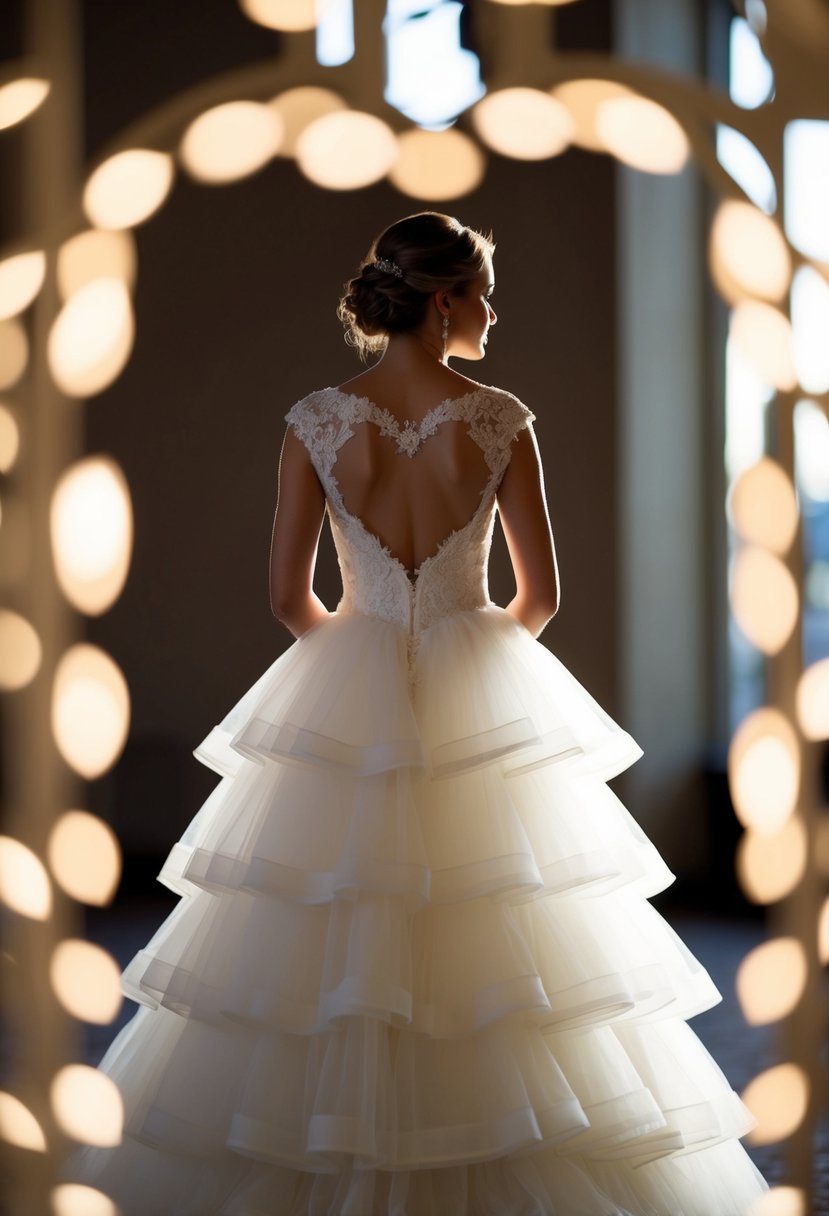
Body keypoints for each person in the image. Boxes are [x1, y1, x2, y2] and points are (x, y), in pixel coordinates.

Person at [66, 212, 769, 1214]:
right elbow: (541, 598)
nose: (492, 309)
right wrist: (474, 662)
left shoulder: (314, 418)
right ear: (444, 301)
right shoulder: (498, 419)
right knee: (503, 939)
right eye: (483, 290)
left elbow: (285, 598)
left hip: (343, 664)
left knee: (328, 933)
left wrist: (355, 659)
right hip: (473, 664)